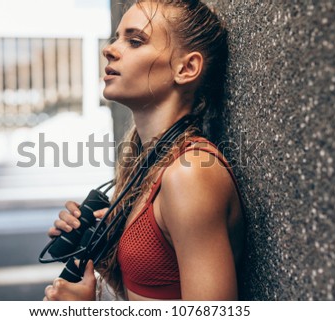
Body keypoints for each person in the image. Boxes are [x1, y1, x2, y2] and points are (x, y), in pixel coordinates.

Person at [43, 0, 244, 301]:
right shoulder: (148, 168)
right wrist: (102, 254)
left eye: (135, 41)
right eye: (117, 37)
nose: (109, 49)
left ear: (186, 68)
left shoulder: (189, 176)